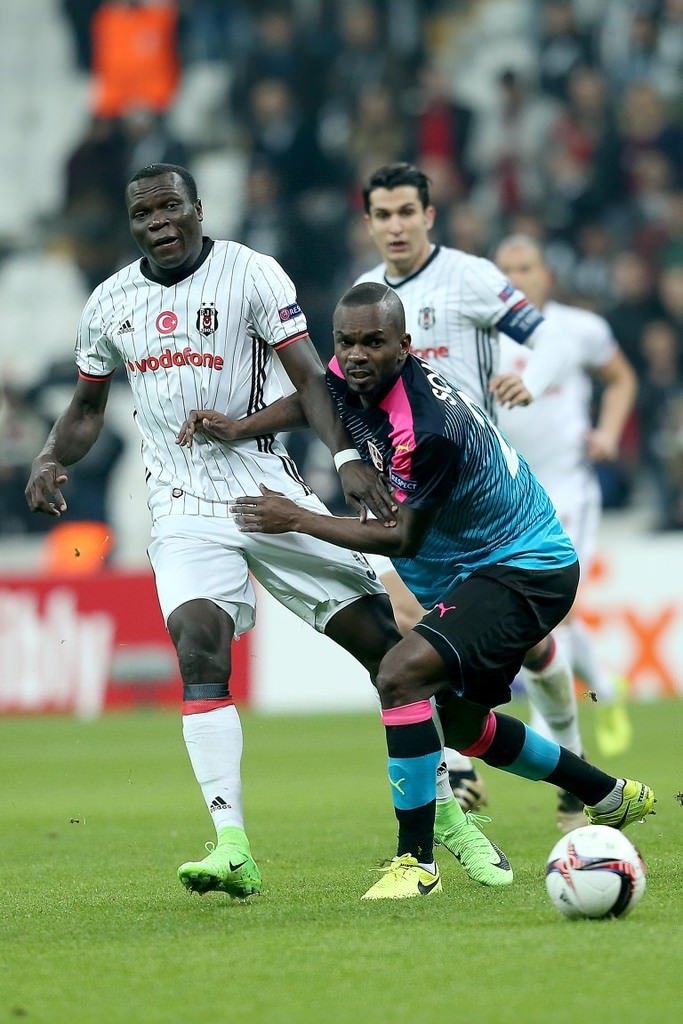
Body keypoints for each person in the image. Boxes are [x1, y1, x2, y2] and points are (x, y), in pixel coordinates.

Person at [25, 163, 510, 902]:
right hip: (182, 506)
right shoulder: (108, 303)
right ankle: (231, 845)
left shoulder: (250, 274)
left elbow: (312, 378)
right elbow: (88, 407)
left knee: (389, 652)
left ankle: (445, 813)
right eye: (142, 212)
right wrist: (53, 454)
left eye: (169, 207)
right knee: (197, 644)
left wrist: (346, 459)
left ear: (196, 208)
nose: (156, 222)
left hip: (269, 494)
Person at [182, 282, 656, 901]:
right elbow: (317, 399)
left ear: (404, 347)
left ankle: (415, 863)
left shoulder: (427, 427)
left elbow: (402, 538)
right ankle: (609, 795)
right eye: (345, 342)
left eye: (372, 343)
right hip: (476, 572)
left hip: (523, 568)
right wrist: (241, 428)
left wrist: (296, 517)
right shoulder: (353, 375)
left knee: (401, 674)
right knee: (456, 722)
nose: (355, 354)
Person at [354, 161, 581, 815]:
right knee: (411, 621)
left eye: (406, 212)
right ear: (368, 223)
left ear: (428, 215)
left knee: (532, 646)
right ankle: (455, 769)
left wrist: (530, 376)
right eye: (383, 214)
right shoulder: (365, 293)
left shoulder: (471, 277)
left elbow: (546, 337)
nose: (395, 225)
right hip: (414, 498)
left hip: (484, 503)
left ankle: (569, 750)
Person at [495, 235, 638, 779]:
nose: (517, 276)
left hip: (569, 486)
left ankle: (546, 722)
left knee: (557, 603)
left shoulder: (580, 330)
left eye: (526, 266)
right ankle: (604, 685)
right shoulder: (484, 337)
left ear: (546, 274)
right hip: (510, 496)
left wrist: (607, 431)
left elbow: (622, 377)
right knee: (542, 612)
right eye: (506, 269)